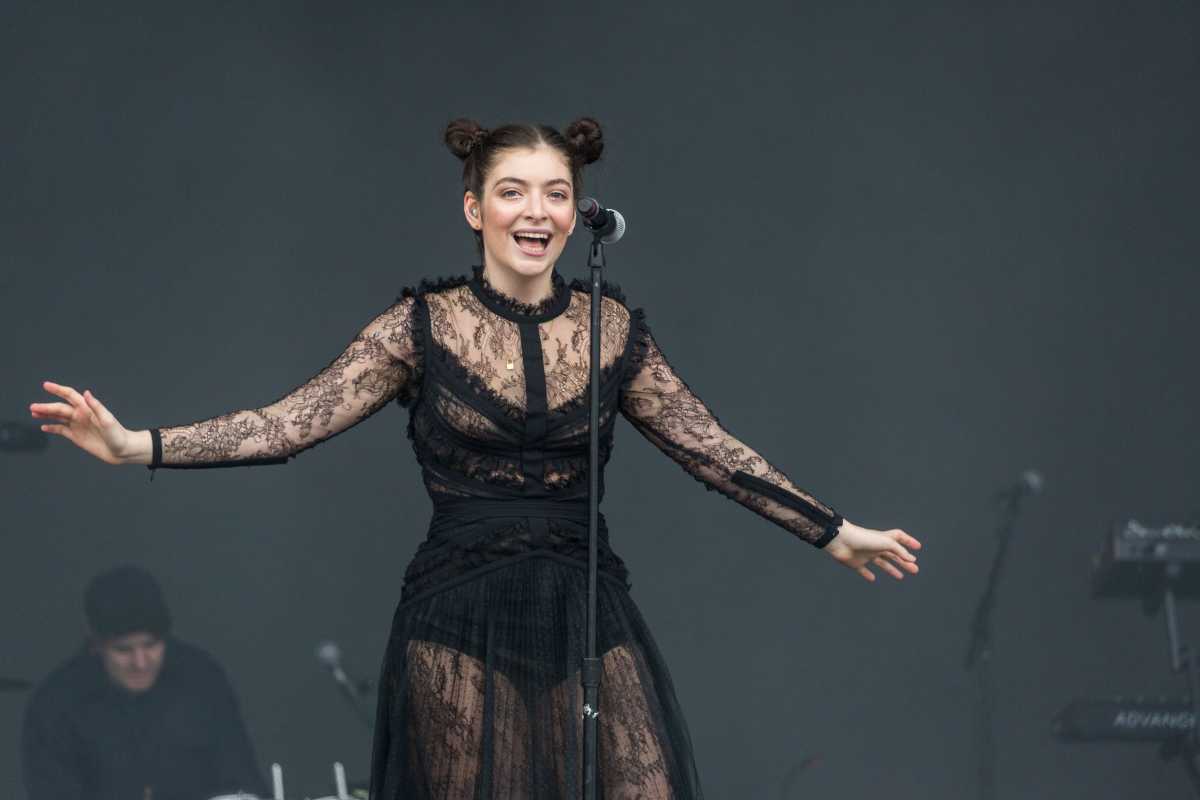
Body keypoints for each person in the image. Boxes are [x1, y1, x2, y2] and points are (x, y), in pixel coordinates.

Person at [30, 116, 922, 799]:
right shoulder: (420, 327)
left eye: (556, 194)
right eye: (513, 191)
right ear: (474, 208)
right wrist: (135, 445)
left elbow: (711, 448)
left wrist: (832, 531)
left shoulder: (611, 329)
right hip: (459, 610)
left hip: (582, 600)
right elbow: (289, 423)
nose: (537, 211)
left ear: (577, 213)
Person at [21, 565, 268, 800]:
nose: (140, 663)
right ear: (95, 644)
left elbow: (240, 777)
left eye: (151, 645)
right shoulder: (56, 705)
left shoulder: (202, 680)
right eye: (123, 650)